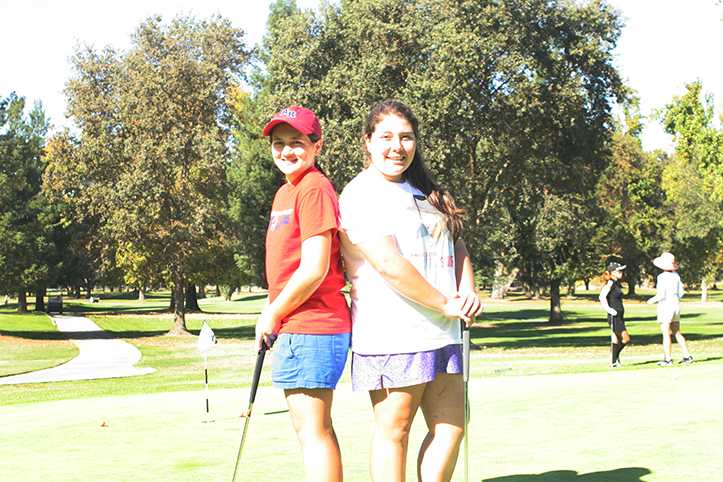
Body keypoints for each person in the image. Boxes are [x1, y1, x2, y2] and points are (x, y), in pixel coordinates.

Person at [338, 99, 483, 482]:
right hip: (393, 334)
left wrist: (466, 289)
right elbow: (389, 264)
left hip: (443, 332)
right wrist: (445, 303)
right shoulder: (360, 194)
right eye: (385, 137)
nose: (396, 146)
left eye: (406, 137)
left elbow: (456, 243)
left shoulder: (424, 191)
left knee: (451, 427)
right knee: (395, 431)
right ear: (367, 142)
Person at [255, 105, 352, 481]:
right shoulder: (286, 191)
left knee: (313, 430)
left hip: (314, 324)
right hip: (298, 324)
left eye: (297, 142)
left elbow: (315, 268)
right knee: (308, 429)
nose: (286, 151)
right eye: (279, 143)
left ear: (317, 145)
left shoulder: (313, 188)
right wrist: (274, 311)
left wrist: (272, 312)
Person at [646, 251, 693, 366]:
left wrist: (650, 301)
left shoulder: (662, 277)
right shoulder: (676, 276)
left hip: (666, 306)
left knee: (666, 333)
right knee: (677, 332)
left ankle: (668, 359)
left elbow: (661, 295)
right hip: (676, 305)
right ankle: (687, 355)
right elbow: (681, 293)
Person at [598, 261, 631, 368]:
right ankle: (614, 359)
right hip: (614, 315)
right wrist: (609, 309)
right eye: (619, 270)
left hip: (620, 315)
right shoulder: (610, 283)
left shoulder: (616, 283)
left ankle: (615, 359)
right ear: (612, 272)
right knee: (624, 339)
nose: (621, 272)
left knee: (620, 339)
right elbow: (602, 297)